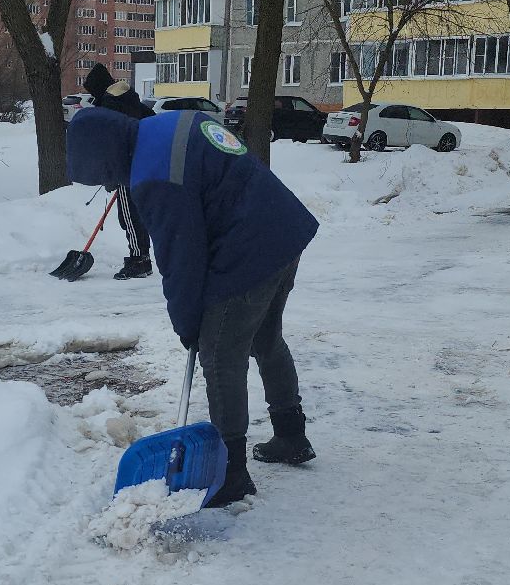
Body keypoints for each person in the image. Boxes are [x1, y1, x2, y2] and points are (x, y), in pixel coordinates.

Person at [65, 104, 319, 507]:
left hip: (248, 251)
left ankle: (231, 474)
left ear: (107, 156)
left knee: (220, 357)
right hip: (283, 229)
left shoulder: (155, 177)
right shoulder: (168, 123)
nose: (113, 186)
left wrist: (188, 325)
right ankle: (290, 433)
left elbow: (182, 258)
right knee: (266, 338)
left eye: (106, 177)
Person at [82, 64, 153, 279]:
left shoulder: (110, 103)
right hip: (144, 162)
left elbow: (112, 140)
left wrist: (112, 172)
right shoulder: (129, 98)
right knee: (136, 214)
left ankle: (139, 260)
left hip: (126, 167)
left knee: (129, 215)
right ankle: (141, 258)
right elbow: (151, 120)